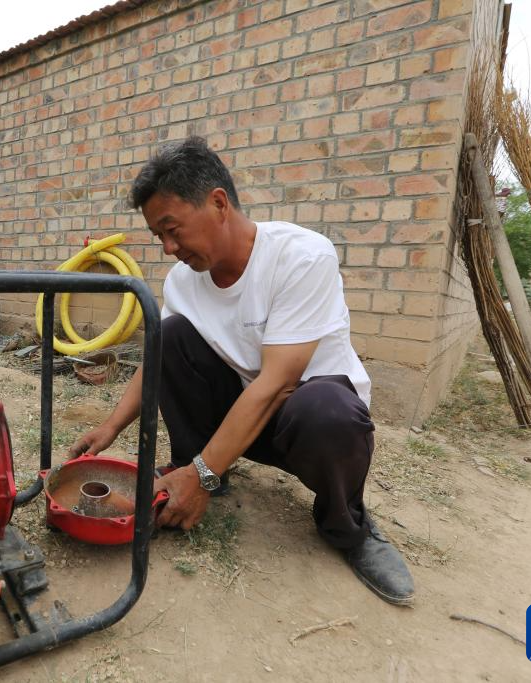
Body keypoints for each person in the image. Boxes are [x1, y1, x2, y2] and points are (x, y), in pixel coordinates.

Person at [67, 136, 414, 606]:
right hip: (240, 418)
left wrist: (203, 474)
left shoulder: (302, 257)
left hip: (303, 423)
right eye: (158, 236)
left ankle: (347, 527)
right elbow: (158, 363)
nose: (169, 248)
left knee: (328, 409)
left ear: (217, 203)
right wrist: (108, 428)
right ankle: (197, 468)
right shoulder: (183, 280)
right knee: (167, 336)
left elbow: (278, 384)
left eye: (173, 229)